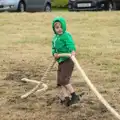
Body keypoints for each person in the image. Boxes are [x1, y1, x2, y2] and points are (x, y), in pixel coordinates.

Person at [51, 16, 80, 106]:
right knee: (60, 81)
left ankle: (74, 96)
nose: (59, 29)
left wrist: (72, 51)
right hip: (61, 60)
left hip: (68, 60)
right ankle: (66, 97)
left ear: (64, 26)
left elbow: (70, 44)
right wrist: (54, 53)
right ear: (54, 29)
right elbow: (53, 48)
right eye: (57, 28)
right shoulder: (55, 38)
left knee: (64, 79)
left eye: (60, 27)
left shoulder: (66, 35)